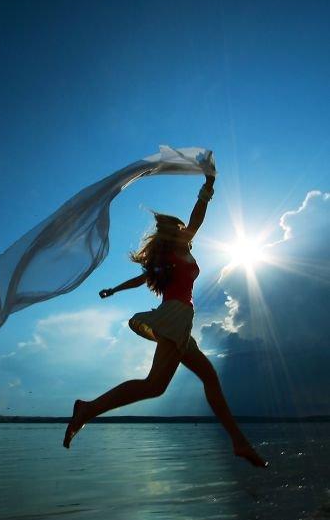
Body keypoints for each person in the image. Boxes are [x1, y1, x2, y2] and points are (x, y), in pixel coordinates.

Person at [63, 175, 267, 468]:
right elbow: (198, 218)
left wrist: (114, 289)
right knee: (155, 385)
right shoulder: (178, 248)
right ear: (176, 232)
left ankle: (238, 442)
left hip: (180, 321)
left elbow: (141, 279)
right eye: (181, 228)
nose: (186, 231)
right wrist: (208, 186)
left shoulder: (169, 256)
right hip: (175, 317)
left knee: (197, 379)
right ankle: (87, 409)